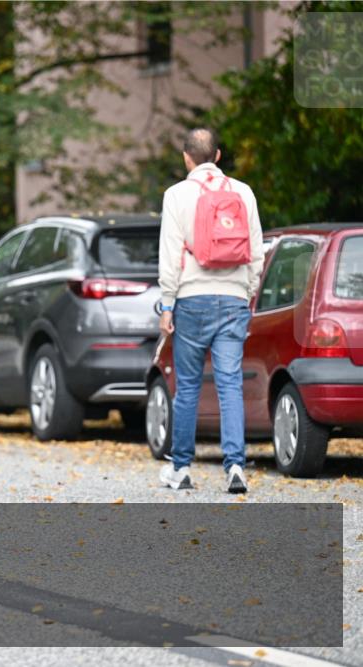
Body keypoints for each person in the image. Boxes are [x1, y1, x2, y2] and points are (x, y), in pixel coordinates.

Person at [157, 128, 264, 494]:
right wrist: (246, 295)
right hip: (233, 298)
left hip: (191, 298)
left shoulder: (176, 195)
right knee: (229, 384)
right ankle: (235, 466)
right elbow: (257, 252)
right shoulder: (243, 192)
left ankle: (181, 469)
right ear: (217, 155)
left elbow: (171, 253)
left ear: (187, 157)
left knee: (186, 386)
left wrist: (167, 303)